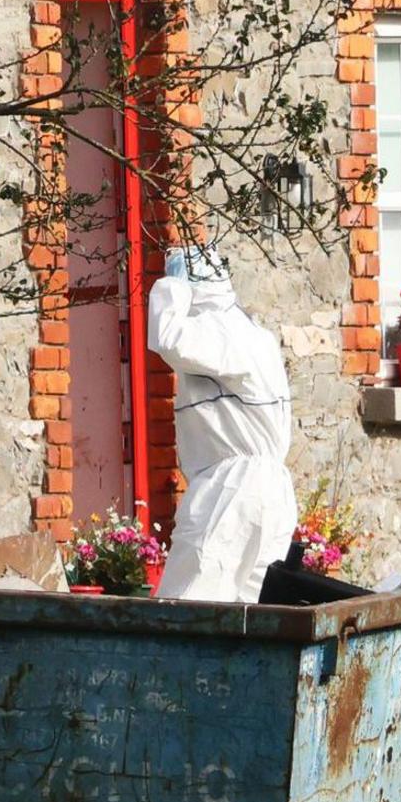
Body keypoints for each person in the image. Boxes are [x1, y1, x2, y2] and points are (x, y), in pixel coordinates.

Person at [144, 243, 296, 603]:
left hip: (232, 490)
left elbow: (168, 338)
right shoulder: (252, 333)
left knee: (189, 605)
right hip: (268, 490)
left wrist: (172, 286)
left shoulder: (220, 329)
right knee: (251, 610)